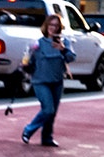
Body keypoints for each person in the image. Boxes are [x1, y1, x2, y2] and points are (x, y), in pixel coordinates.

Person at [20, 14, 74, 148]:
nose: (53, 28)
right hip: (40, 81)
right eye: (51, 25)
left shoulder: (64, 42)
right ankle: (28, 130)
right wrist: (25, 66)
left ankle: (47, 137)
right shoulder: (37, 43)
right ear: (46, 26)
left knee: (52, 112)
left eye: (56, 25)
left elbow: (71, 57)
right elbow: (28, 60)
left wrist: (63, 49)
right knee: (48, 110)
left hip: (57, 81)